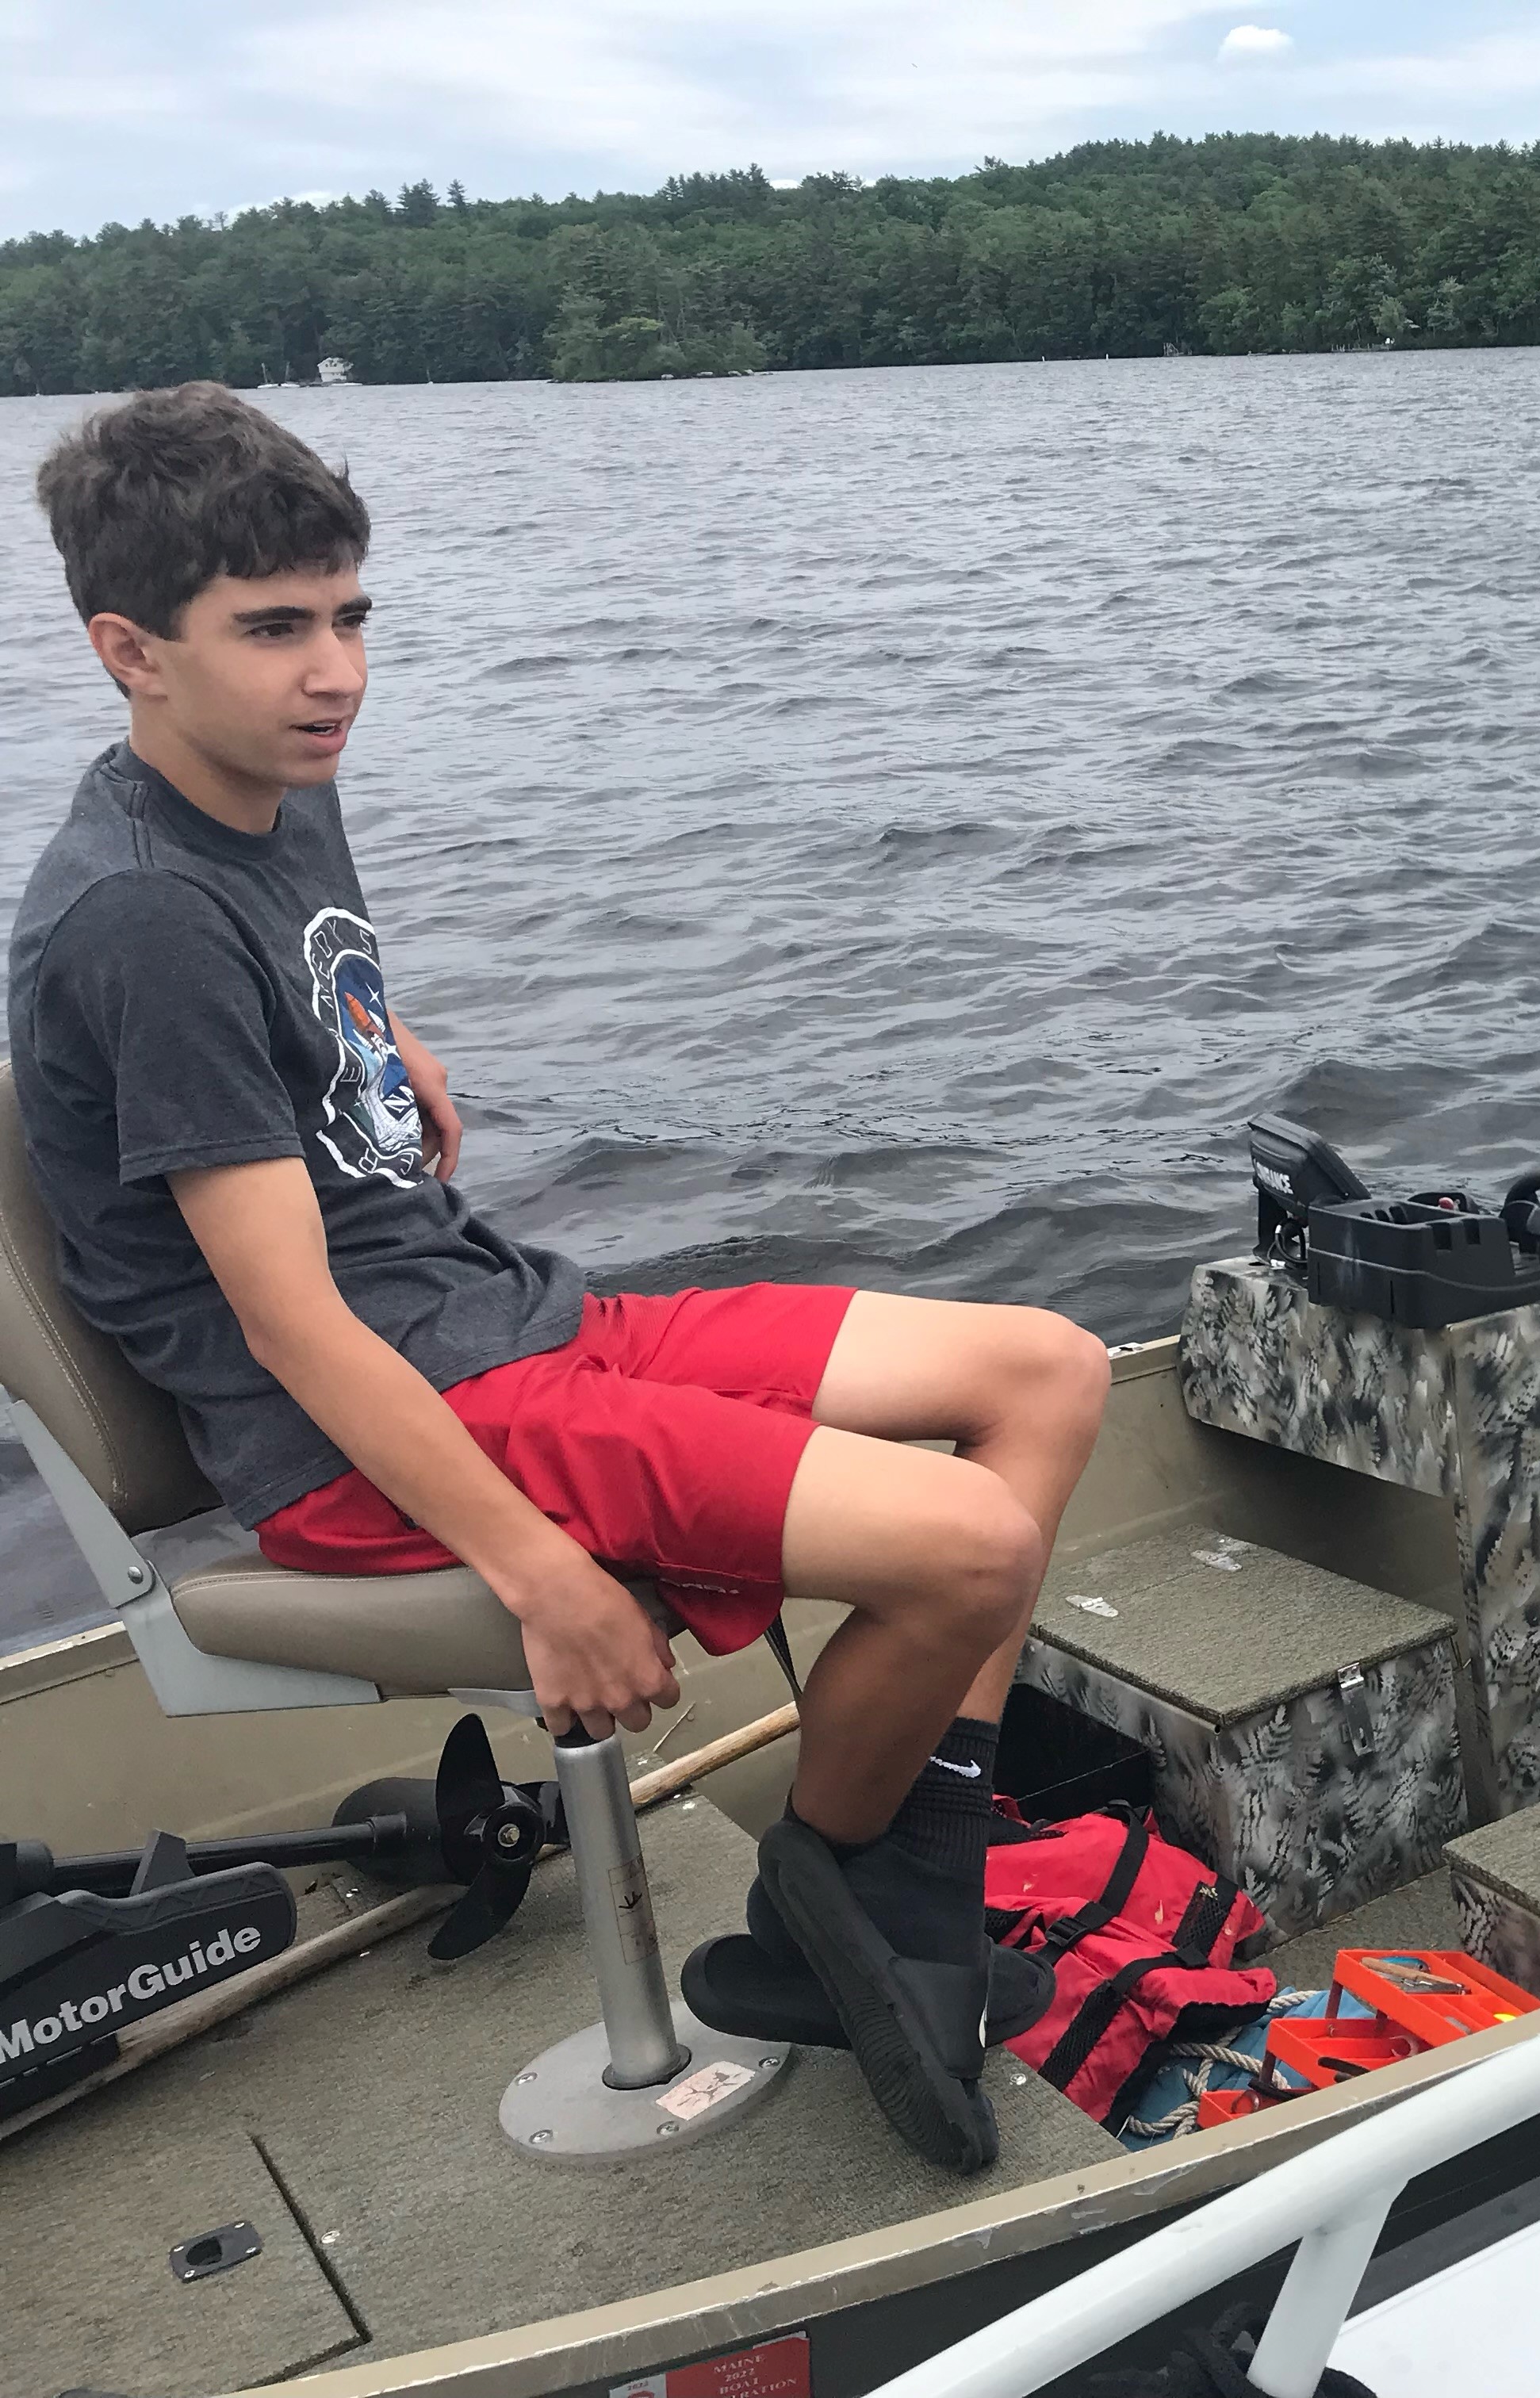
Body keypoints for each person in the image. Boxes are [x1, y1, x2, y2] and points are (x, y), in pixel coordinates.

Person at [13, 384, 1111, 2177]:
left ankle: (882, 1892)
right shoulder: (136, 913)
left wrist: (383, 1050)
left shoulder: (264, 781)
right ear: (128, 649)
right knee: (971, 1545)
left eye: (350, 616)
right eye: (274, 629)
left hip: (490, 1307)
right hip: (372, 1429)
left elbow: (275, 1010)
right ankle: (841, 1902)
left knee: (1048, 1374)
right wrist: (541, 1574)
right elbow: (293, 1324)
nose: (333, 671)